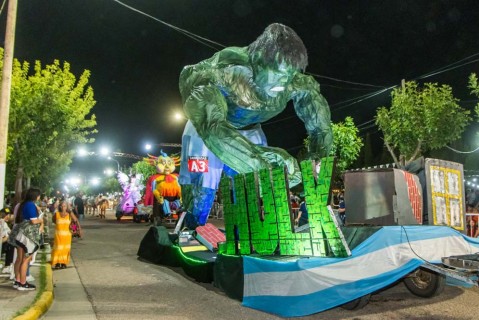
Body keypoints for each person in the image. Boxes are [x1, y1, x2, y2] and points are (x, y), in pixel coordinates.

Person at [178, 23, 333, 228]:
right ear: (259, 59)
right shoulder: (222, 71)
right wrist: (264, 164)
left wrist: (312, 173)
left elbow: (320, 129)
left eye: (289, 74)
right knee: (203, 190)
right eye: (277, 72)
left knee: (249, 195)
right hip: (206, 130)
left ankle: (248, 232)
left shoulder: (295, 81)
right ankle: (190, 227)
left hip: (250, 129)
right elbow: (213, 128)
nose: (283, 81)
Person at [12, 188, 44, 291]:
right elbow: (34, 221)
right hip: (27, 236)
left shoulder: (23, 204)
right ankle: (23, 283)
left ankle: (18, 281)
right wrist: (41, 220)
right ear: (35, 196)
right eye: (39, 195)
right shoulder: (30, 204)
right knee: (26, 259)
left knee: (20, 259)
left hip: (21, 234)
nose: (39, 197)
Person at [51, 200, 82, 269]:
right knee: (58, 249)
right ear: (59, 207)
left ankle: (64, 263)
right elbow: (53, 221)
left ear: (67, 207)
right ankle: (57, 263)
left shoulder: (70, 214)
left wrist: (79, 230)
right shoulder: (56, 214)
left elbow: (76, 221)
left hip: (67, 235)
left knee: (65, 249)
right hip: (58, 235)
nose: (63, 207)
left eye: (64, 206)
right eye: (61, 206)